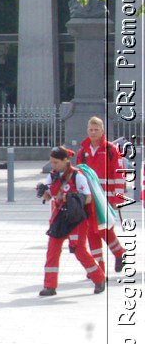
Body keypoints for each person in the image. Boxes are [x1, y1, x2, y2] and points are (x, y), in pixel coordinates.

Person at [37, 146, 106, 296]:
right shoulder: (52, 176)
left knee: (79, 250)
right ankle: (49, 286)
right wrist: (43, 192)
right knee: (52, 250)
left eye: (56, 162)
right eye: (51, 162)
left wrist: (72, 198)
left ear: (65, 160)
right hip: (59, 219)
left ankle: (99, 278)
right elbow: (49, 196)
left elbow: (87, 198)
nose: (53, 166)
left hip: (76, 220)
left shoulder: (77, 176)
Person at [77, 115, 129, 270]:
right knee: (91, 232)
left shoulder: (111, 150)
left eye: (96, 129)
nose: (93, 133)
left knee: (105, 230)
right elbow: (79, 176)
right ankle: (99, 266)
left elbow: (119, 175)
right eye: (90, 129)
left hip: (106, 198)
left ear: (102, 131)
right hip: (89, 199)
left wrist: (118, 200)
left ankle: (119, 253)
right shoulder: (83, 152)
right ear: (87, 130)